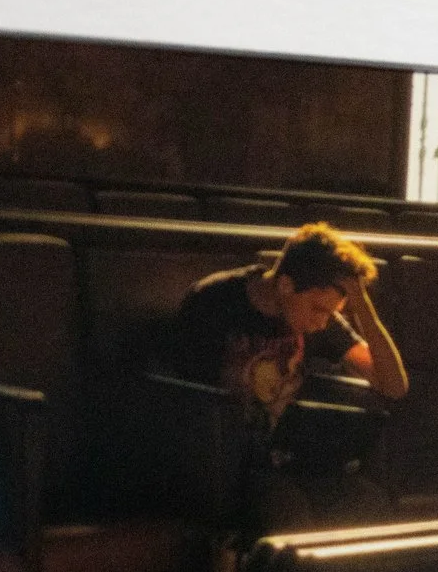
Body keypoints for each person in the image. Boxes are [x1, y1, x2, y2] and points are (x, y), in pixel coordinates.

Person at [161, 221, 409, 528]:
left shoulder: (316, 316)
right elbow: (186, 400)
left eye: (330, 313)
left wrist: (362, 304)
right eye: (318, 310)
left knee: (367, 503)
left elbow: (393, 385)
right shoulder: (215, 300)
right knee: (287, 512)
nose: (322, 323)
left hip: (292, 456)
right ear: (285, 285)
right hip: (227, 461)